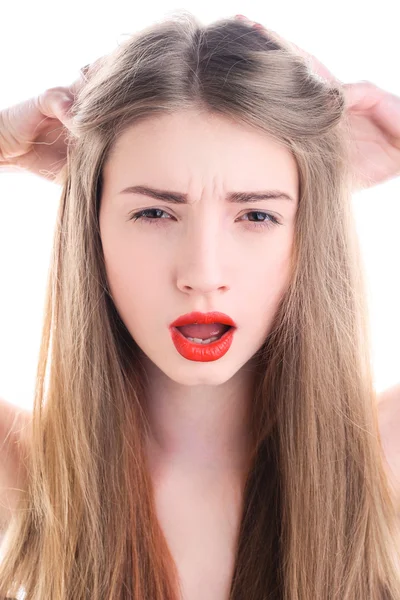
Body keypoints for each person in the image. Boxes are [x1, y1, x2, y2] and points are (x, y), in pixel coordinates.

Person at [0, 11, 400, 599]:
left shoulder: (385, 457)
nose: (203, 274)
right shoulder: (18, 472)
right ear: (92, 225)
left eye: (257, 215)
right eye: (155, 213)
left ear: (309, 231)